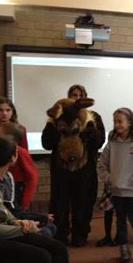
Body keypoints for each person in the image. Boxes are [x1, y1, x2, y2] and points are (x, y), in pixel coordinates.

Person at [41, 84, 105, 246]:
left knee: (83, 203)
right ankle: (60, 234)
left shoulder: (93, 117)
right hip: (61, 171)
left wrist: (88, 132)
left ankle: (80, 234)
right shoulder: (56, 117)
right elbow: (46, 143)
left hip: (85, 171)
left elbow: (99, 142)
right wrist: (57, 129)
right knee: (59, 204)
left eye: (79, 95)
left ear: (84, 98)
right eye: (72, 95)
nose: (76, 98)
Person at [97, 108, 133, 263]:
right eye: (115, 121)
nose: (117, 124)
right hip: (116, 190)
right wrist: (110, 179)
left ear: (130, 122)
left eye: (120, 121)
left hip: (132, 190)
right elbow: (102, 165)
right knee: (120, 220)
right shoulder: (111, 144)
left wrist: (131, 181)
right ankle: (124, 248)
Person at [0, 122, 56, 237]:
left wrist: (25, 202)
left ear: (10, 138)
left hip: (18, 189)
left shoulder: (21, 153)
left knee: (18, 213)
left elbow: (32, 177)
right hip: (9, 189)